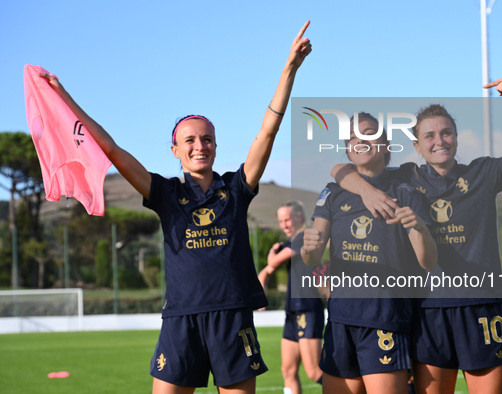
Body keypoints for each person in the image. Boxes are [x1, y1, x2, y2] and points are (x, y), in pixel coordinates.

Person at [40, 21, 312, 394]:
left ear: (215, 146)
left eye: (207, 139)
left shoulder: (236, 187)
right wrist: (65, 97)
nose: (200, 145)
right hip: (181, 319)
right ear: (175, 150)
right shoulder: (165, 193)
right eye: (190, 140)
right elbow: (113, 150)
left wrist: (289, 69)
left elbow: (267, 131)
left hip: (232, 316)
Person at [330, 76, 502, 394]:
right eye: (429, 135)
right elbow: (340, 170)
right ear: (416, 146)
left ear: (456, 138)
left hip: (480, 305)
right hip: (427, 309)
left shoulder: (483, 173)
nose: (440, 141)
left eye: (446, 132)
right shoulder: (406, 177)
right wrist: (367, 192)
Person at [301, 112, 437, 394]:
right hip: (340, 318)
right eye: (352, 137)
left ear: (386, 144)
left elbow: (428, 261)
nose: (359, 140)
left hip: (385, 317)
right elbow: (312, 258)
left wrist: (420, 228)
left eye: (369, 134)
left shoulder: (406, 192)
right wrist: (308, 249)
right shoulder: (332, 192)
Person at [258, 201, 325, 394]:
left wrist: (267, 266)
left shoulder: (305, 237)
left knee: (314, 371)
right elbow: (271, 266)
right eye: (280, 221)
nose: (283, 225)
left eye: (287, 219)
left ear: (299, 217)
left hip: (307, 308)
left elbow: (273, 262)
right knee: (288, 370)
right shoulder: (292, 241)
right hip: (293, 311)